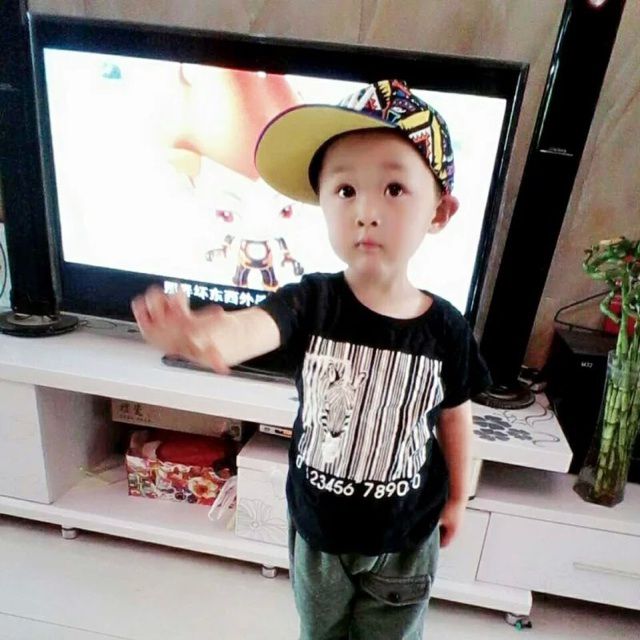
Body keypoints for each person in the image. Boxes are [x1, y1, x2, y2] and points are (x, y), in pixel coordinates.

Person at [132, 78, 491, 640]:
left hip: (405, 541)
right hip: (319, 537)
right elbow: (252, 328)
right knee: (319, 633)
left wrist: (458, 498)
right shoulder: (312, 301)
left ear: (440, 211)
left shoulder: (446, 327)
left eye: (394, 188)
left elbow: (455, 415)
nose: (366, 210)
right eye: (345, 190)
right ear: (320, 202)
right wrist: (203, 336)